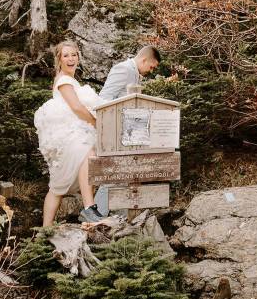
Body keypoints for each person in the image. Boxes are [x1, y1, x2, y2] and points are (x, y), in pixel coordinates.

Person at [34, 41, 107, 226]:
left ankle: (49, 227)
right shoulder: (64, 80)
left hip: (76, 133)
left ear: (78, 57)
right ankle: (88, 208)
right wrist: (97, 122)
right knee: (63, 181)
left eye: (74, 54)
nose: (71, 58)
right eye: (66, 55)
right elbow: (76, 107)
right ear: (59, 59)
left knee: (59, 185)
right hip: (70, 135)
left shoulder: (70, 80)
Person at [94, 45, 161, 215]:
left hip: (130, 134)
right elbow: (103, 100)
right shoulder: (123, 69)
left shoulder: (135, 74)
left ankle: (118, 216)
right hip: (115, 131)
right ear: (144, 59)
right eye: (152, 67)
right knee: (115, 174)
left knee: (125, 175)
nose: (151, 71)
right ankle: (97, 216)